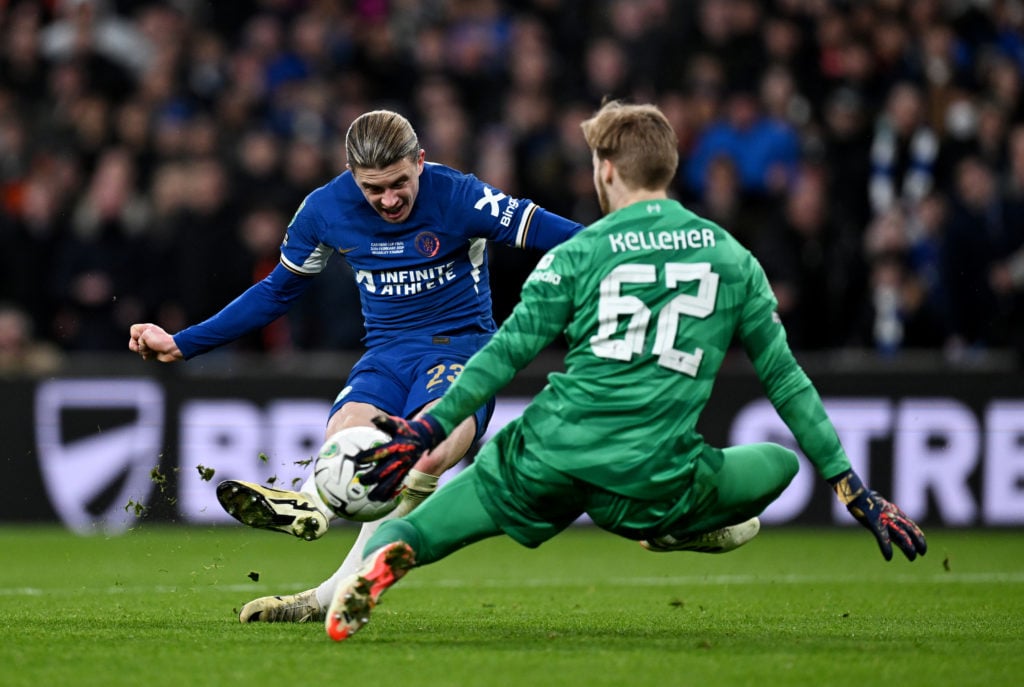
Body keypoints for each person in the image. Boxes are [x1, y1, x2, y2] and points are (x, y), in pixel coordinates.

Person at [323, 100, 927, 642]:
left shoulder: (578, 254)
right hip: (651, 474)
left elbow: (503, 352)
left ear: (606, 171)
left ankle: (389, 555)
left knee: (433, 524)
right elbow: (787, 381)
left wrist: (430, 429)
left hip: (548, 451)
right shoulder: (732, 258)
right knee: (777, 464)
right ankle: (675, 530)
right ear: (668, 170)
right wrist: (854, 488)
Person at [128, 109, 584, 623]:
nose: (389, 200)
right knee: (345, 441)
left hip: (461, 351)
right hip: (385, 356)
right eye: (373, 189)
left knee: (423, 454)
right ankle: (316, 519)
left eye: (399, 184)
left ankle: (323, 563)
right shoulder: (325, 209)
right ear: (350, 175)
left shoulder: (461, 197)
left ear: (420, 161)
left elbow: (572, 238)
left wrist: (641, 261)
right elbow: (277, 292)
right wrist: (184, 343)